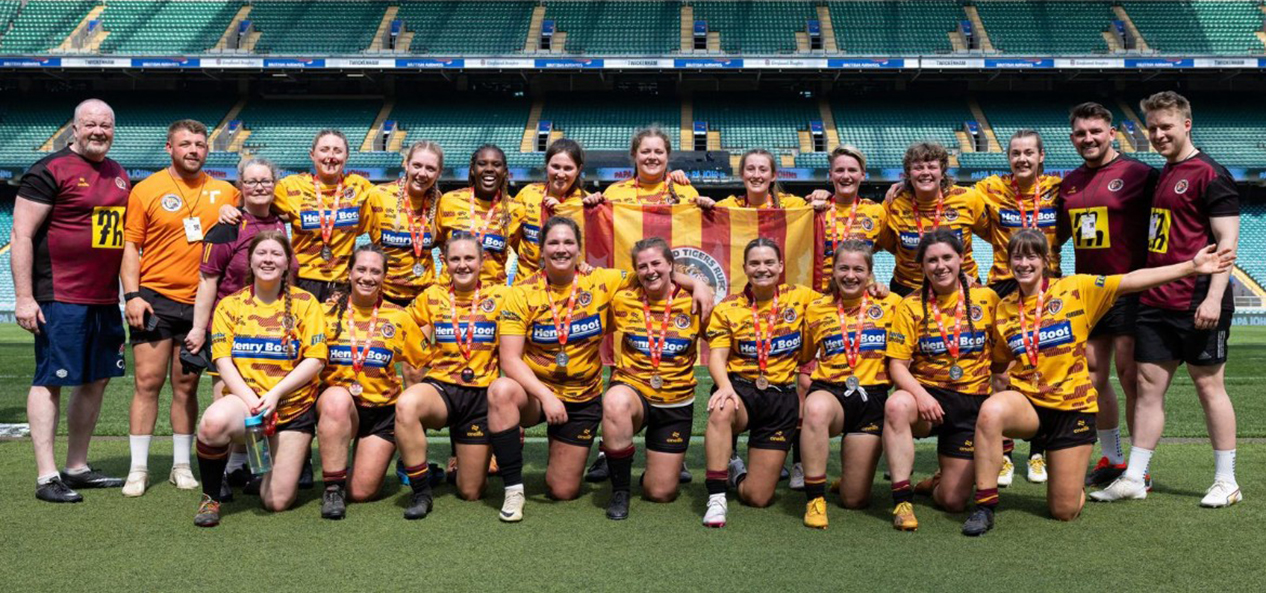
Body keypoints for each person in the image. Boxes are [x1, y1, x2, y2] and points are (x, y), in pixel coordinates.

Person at [962, 230, 1235, 535]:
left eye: (1031, 256)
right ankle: (984, 506)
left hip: (1071, 409)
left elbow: (1132, 280)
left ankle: (1066, 469)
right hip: (1029, 404)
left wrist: (1190, 267)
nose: (1024, 263)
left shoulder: (1077, 288)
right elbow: (998, 363)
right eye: (1017, 256)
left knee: (1064, 510)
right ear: (1008, 261)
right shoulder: (1004, 308)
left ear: (1046, 260)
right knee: (991, 411)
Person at [488, 216, 711, 522]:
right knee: (501, 391)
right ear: (541, 250)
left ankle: (652, 463)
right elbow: (510, 359)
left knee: (563, 490)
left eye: (569, 242)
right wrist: (546, 396)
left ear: (580, 249)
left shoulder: (603, 281)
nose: (561, 249)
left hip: (581, 399)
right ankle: (514, 490)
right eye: (553, 242)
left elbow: (653, 274)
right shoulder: (522, 292)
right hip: (536, 395)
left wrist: (697, 282)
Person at [1091, 91, 1242, 508]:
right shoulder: (1162, 174)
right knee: (1146, 386)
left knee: (1209, 386)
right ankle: (1135, 477)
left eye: (1165, 127)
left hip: (1197, 302)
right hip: (1156, 301)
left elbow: (1227, 244)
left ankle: (1226, 480)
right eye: (1152, 128)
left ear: (1186, 124)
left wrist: (1213, 298)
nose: (1157, 134)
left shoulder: (1211, 174)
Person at [13, 98, 129, 503]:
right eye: (91, 124)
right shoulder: (49, 170)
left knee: (96, 380)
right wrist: (25, 298)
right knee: (50, 380)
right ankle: (47, 477)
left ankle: (76, 466)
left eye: (106, 124)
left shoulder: (118, 173)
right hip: (60, 296)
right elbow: (22, 235)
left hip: (103, 298)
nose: (99, 130)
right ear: (74, 128)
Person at [120, 119, 240, 497]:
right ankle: (138, 468)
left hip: (201, 304)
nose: (193, 150)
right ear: (169, 147)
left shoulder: (226, 192)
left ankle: (181, 465)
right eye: (185, 143)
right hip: (154, 298)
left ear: (208, 150)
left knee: (186, 387)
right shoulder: (146, 189)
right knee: (147, 383)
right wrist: (131, 295)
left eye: (200, 144)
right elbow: (131, 247)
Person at [193, 231, 327, 527]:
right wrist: (252, 401)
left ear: (287, 263)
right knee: (212, 423)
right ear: (250, 261)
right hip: (247, 404)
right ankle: (211, 497)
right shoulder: (230, 305)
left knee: (276, 502)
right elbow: (222, 360)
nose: (268, 259)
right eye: (261, 253)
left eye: (276, 254)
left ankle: (270, 469)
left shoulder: (306, 304)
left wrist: (276, 394)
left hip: (292, 408)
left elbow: (316, 359)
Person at [1059, 102, 1157, 488]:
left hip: (1131, 288)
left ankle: (1139, 468)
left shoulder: (1139, 174)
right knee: (1094, 377)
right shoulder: (1069, 183)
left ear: (1111, 132)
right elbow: (1054, 236)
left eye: (1096, 131)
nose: (1089, 139)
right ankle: (1113, 458)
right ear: (1072, 138)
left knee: (1130, 376)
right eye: (1081, 133)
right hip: (1089, 292)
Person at [190, 158, 295, 500]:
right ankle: (218, 475)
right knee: (227, 402)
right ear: (241, 186)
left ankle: (250, 468)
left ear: (274, 183)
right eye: (251, 181)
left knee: (260, 403)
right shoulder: (226, 227)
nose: (259, 186)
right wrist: (198, 329)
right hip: (230, 329)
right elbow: (208, 281)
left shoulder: (285, 223)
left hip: (273, 331)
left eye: (265, 180)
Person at [883, 229, 1002, 531]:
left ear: (961, 259)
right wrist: (920, 395)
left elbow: (1003, 354)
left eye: (947, 257)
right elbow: (896, 365)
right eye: (932, 260)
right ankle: (901, 500)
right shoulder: (909, 305)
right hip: (928, 398)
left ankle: (937, 481)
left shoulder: (987, 298)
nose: (941, 266)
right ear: (922, 266)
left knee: (952, 501)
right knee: (897, 404)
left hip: (971, 401)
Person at [701, 238, 817, 528]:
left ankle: (736, 471)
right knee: (721, 407)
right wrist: (725, 387)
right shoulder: (728, 308)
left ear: (780, 266)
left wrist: (874, 286)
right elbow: (717, 356)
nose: (762, 268)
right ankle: (716, 497)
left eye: (768, 263)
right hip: (742, 390)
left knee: (758, 497)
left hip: (781, 398)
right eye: (755, 263)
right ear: (745, 268)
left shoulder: (802, 297)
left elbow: (844, 292)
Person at [394, 234, 511, 519]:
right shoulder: (432, 295)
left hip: (481, 396)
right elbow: (398, 321)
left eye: (469, 258)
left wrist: (582, 265)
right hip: (442, 390)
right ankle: (421, 491)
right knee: (406, 404)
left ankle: (465, 460)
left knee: (470, 492)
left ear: (482, 262)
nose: (462, 265)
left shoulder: (503, 295)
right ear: (444, 262)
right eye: (455, 259)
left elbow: (541, 293)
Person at [972, 129, 1063, 486]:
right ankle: (1005, 453)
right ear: (1008, 157)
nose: (1022, 159)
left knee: (1043, 365)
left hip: (1049, 284)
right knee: (1001, 371)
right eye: (1015, 153)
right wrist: (898, 187)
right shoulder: (989, 188)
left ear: (1042, 156)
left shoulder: (1059, 190)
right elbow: (946, 193)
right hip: (1003, 284)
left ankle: (1037, 452)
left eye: (1029, 153)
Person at [314, 244, 427, 520]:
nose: (367, 277)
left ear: (384, 277)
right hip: (339, 408)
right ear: (349, 273)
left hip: (381, 412)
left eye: (375, 271)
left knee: (362, 492)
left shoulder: (399, 317)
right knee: (337, 399)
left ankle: (349, 469)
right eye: (361, 269)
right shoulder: (323, 313)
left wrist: (413, 417)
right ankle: (332, 488)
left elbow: (423, 363)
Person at [800, 240, 901, 529]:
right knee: (815, 408)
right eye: (843, 268)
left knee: (854, 500)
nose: (850, 275)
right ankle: (814, 498)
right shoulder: (816, 308)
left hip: (873, 398)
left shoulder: (891, 303)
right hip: (831, 393)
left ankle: (849, 479)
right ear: (833, 271)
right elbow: (805, 357)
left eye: (859, 269)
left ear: (870, 274)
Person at [600, 237, 702, 520]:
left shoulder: (694, 302)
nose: (650, 271)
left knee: (660, 493)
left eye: (656, 263)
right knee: (615, 401)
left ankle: (663, 466)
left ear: (671, 264)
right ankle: (620, 489)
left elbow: (721, 347)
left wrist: (700, 285)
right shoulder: (622, 299)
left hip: (675, 402)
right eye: (642, 266)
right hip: (635, 390)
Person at [270, 129, 376, 303]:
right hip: (301, 280)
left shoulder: (360, 187)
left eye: (338, 151)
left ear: (347, 156)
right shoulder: (290, 186)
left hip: (342, 283)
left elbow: (393, 200)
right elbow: (256, 202)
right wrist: (229, 208)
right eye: (324, 149)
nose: (331, 156)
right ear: (312, 154)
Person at [883, 142, 989, 297]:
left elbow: (990, 232)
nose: (925, 172)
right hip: (910, 287)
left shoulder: (968, 199)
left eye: (932, 167)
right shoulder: (893, 203)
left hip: (963, 282)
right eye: (918, 168)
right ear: (908, 173)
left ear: (943, 171)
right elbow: (887, 244)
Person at [436, 144, 526, 286]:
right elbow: (433, 240)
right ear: (472, 170)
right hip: (449, 294)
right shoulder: (449, 201)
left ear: (504, 172)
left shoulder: (516, 210)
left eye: (496, 165)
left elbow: (526, 254)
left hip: (492, 300)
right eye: (482, 164)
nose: (489, 169)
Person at [368, 141, 443, 307]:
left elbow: (448, 249)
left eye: (430, 168)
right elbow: (349, 232)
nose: (422, 173)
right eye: (417, 165)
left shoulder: (440, 202)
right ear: (406, 164)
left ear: (439, 173)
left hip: (423, 298)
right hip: (382, 295)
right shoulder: (378, 196)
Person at [512, 139, 593, 282]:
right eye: (555, 166)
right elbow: (513, 237)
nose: (561, 174)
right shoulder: (527, 194)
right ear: (547, 165)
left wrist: (561, 211)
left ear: (579, 170)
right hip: (524, 286)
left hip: (567, 288)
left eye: (568, 168)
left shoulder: (587, 203)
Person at [599, 127, 701, 205]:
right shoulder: (613, 193)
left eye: (659, 152)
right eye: (645, 152)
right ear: (634, 155)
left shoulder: (688, 193)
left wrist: (709, 210)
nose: (652, 157)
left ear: (667, 156)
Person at [698, 149, 808, 210]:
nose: (756, 175)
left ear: (773, 176)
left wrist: (823, 197)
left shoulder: (793, 205)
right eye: (750, 169)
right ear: (742, 174)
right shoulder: (729, 206)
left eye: (763, 170)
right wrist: (705, 206)